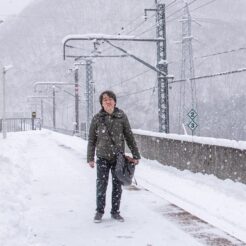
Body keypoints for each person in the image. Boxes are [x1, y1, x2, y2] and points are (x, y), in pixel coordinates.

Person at [87, 90, 141, 223]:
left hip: (118, 158)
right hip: (102, 157)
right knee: (101, 185)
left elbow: (129, 136)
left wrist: (136, 154)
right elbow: (92, 139)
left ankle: (115, 212)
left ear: (115, 101)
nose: (108, 101)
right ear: (102, 103)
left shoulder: (121, 116)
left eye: (110, 99)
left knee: (117, 186)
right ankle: (99, 212)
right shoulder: (97, 118)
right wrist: (90, 158)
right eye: (105, 99)